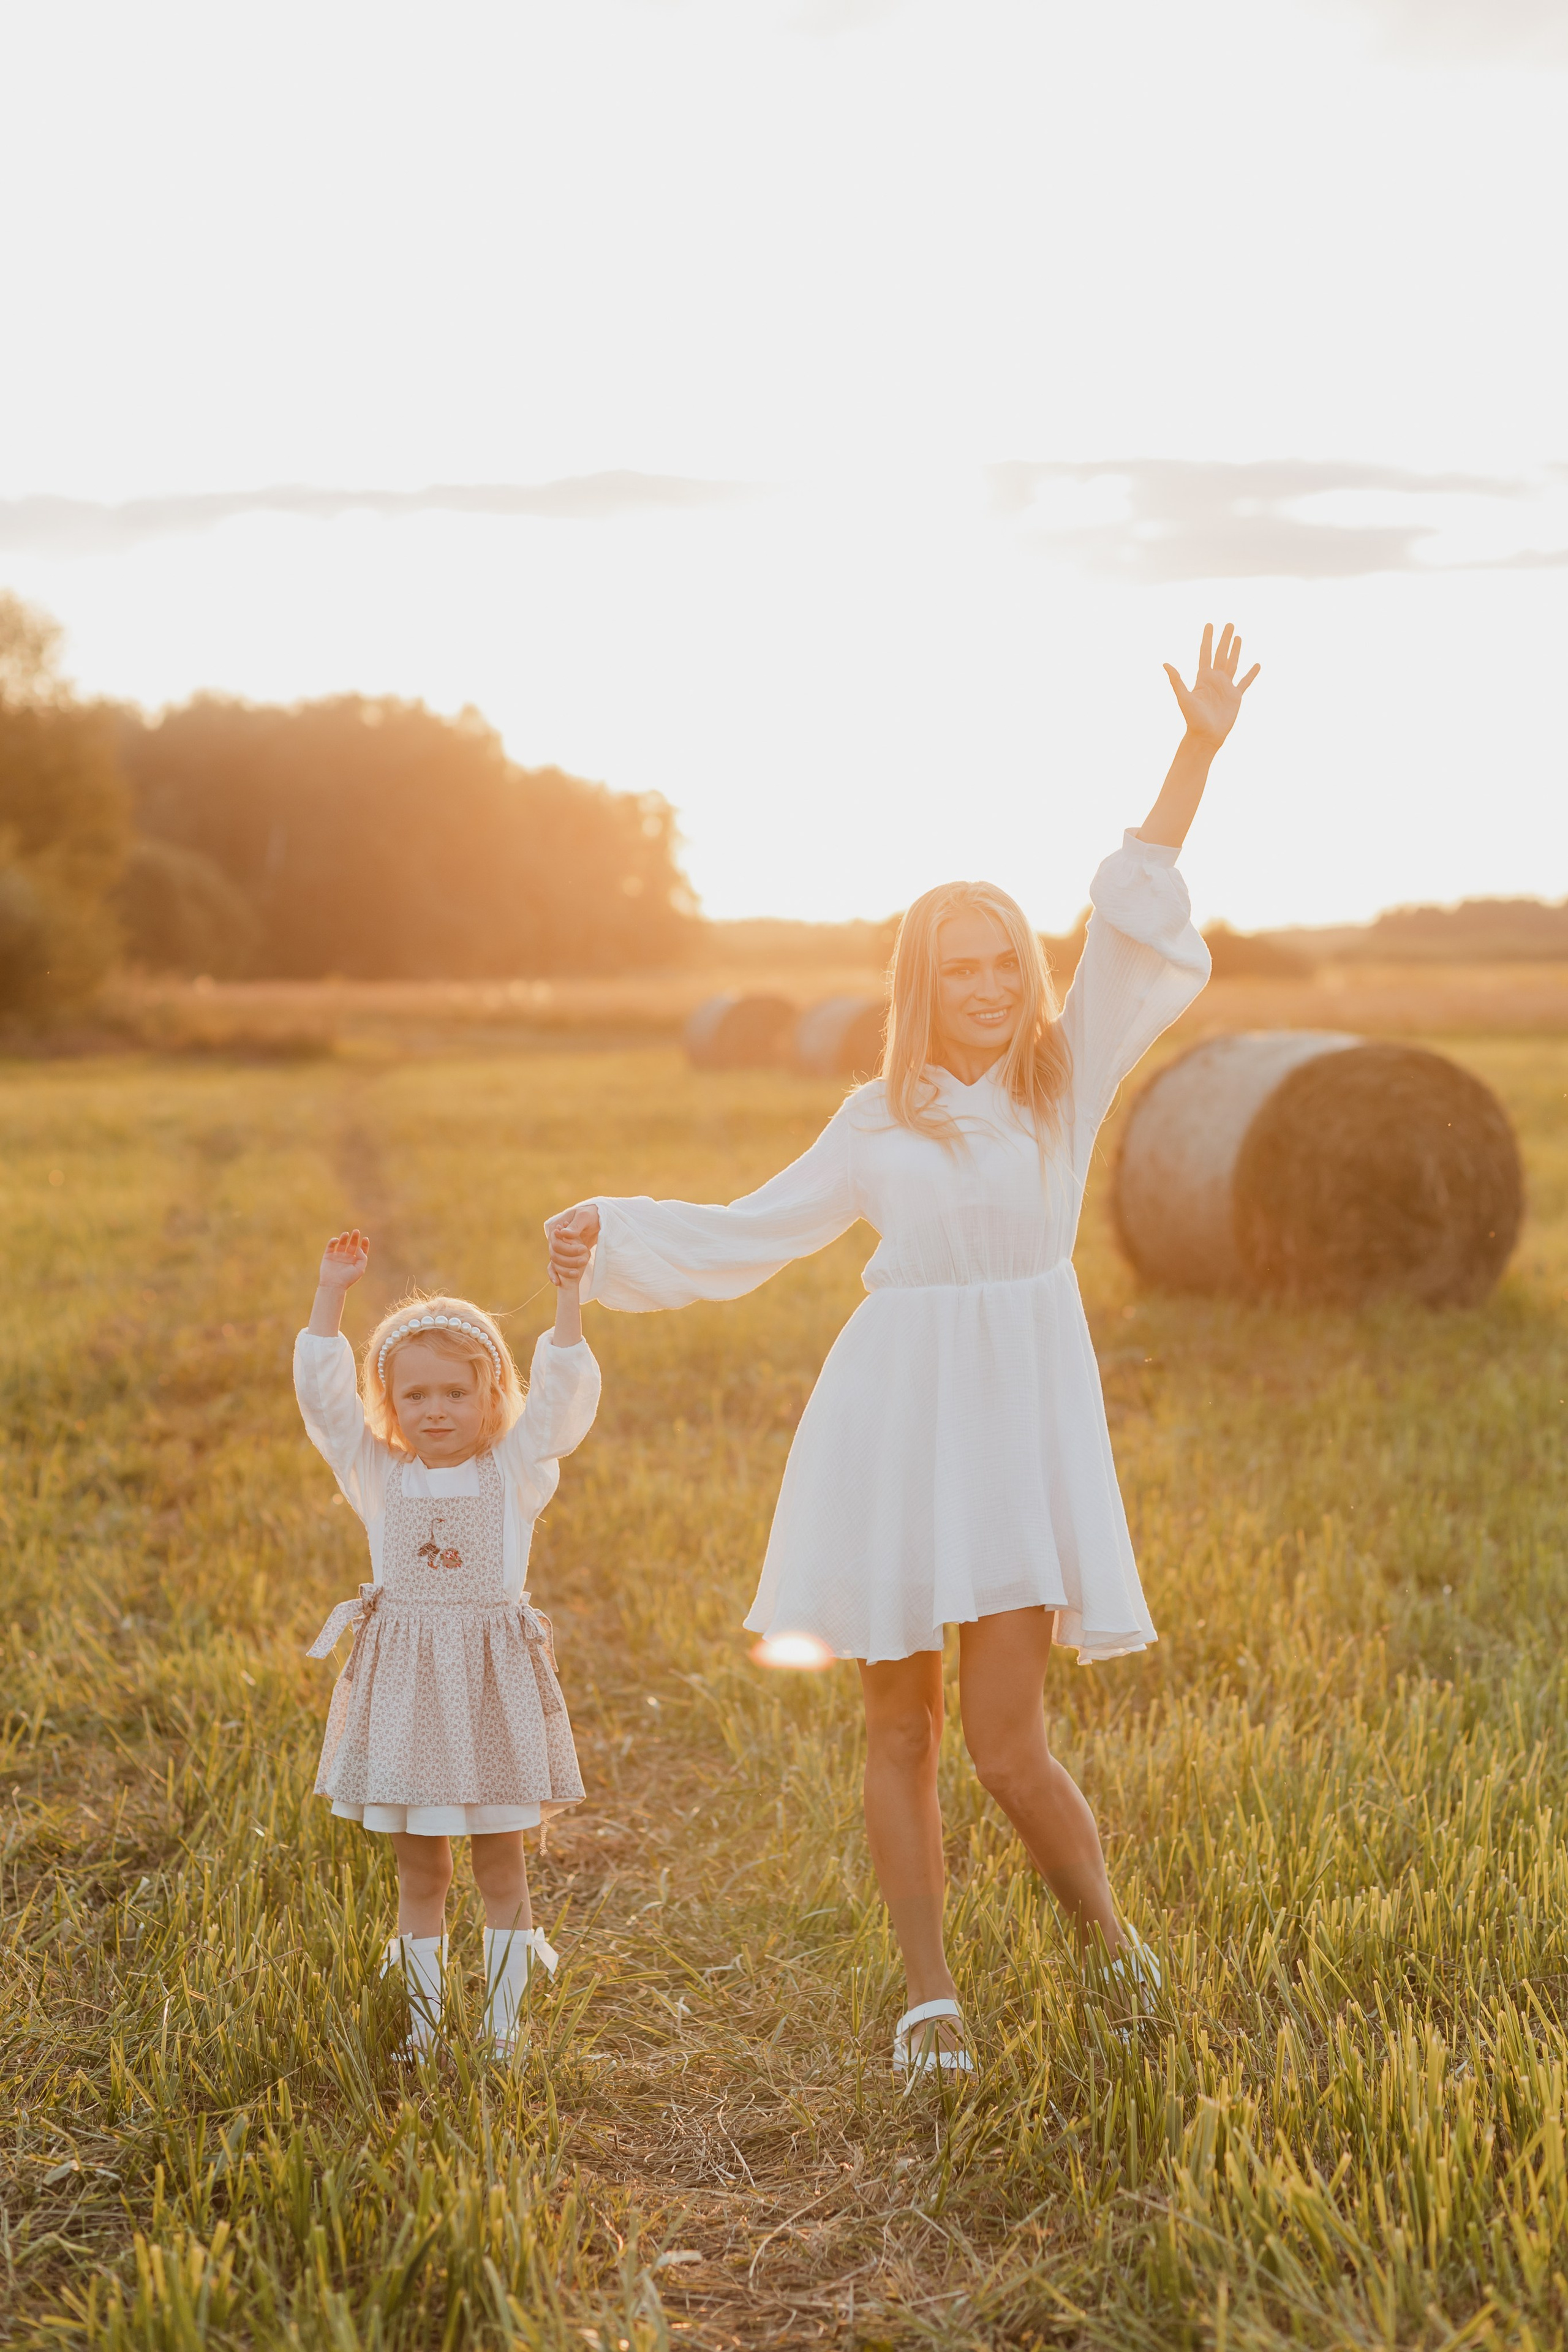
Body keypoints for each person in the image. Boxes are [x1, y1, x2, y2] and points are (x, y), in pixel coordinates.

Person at [546, 625, 1258, 2076]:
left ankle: (1112, 1944)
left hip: (1019, 1421)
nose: (990, 984)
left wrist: (1193, 750)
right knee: (898, 1726)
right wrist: (604, 1231)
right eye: (960, 965)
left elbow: (1126, 924)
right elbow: (753, 1230)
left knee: (1005, 1741)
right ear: (916, 980)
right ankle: (927, 1996)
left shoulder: (1067, 1077)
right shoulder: (873, 1119)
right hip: (890, 1419)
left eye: (1004, 960)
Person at [296, 1230, 600, 2058]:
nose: (435, 1411)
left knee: (502, 1865)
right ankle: (426, 2028)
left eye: (456, 1394)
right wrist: (332, 1295)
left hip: (491, 1689)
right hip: (406, 1695)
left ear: (491, 1393)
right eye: (415, 1396)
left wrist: (569, 1296)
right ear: (389, 1403)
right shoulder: (376, 1475)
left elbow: (565, 1393)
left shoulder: (517, 1469)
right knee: (421, 1870)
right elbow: (324, 1404)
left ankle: (503, 2029)